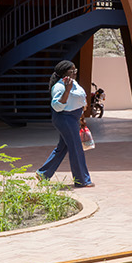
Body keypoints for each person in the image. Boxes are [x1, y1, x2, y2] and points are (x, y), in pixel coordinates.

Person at [37, 60, 93, 188]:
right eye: (71, 70)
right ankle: (82, 180)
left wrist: (81, 117)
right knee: (76, 149)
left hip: (74, 118)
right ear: (63, 73)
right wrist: (67, 91)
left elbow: (80, 100)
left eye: (75, 69)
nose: (74, 72)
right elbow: (57, 106)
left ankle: (43, 173)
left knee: (63, 148)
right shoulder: (60, 86)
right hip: (65, 119)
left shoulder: (74, 83)